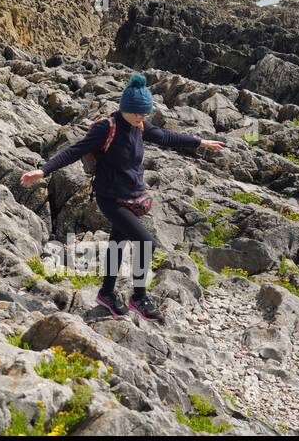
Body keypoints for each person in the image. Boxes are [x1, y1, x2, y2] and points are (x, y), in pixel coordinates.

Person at [20, 73, 225, 322]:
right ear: (125, 108)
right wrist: (43, 170)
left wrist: (200, 141)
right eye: (137, 113)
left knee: (117, 246)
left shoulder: (139, 126)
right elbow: (75, 150)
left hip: (132, 198)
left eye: (144, 114)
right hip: (110, 198)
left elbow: (165, 137)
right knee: (145, 242)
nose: (141, 118)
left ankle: (106, 293)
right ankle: (138, 297)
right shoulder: (107, 127)